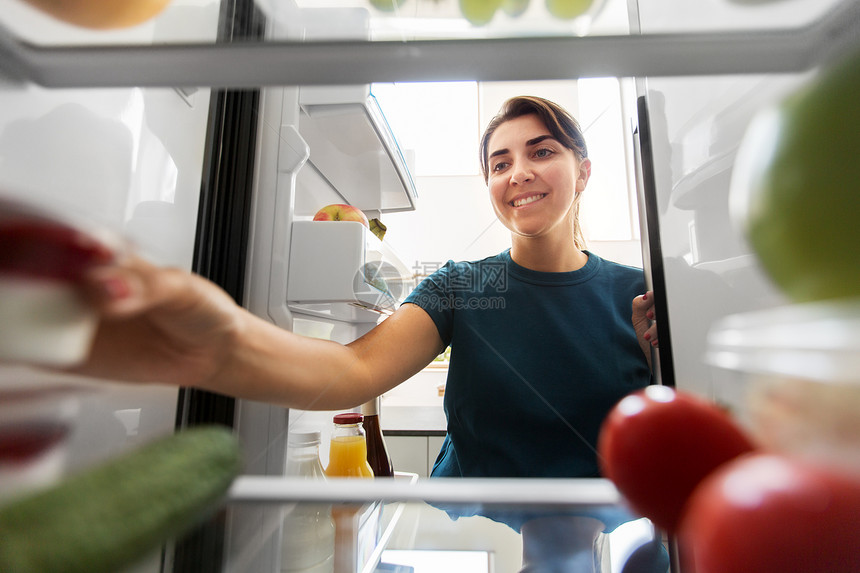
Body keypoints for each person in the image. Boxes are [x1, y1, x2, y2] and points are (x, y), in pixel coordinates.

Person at [64, 95, 659, 538]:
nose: (518, 173)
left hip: (609, 539)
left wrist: (661, 370)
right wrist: (219, 346)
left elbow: (678, 433)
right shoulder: (464, 285)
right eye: (499, 163)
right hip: (469, 538)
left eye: (542, 151)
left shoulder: (637, 295)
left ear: (583, 171)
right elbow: (353, 370)